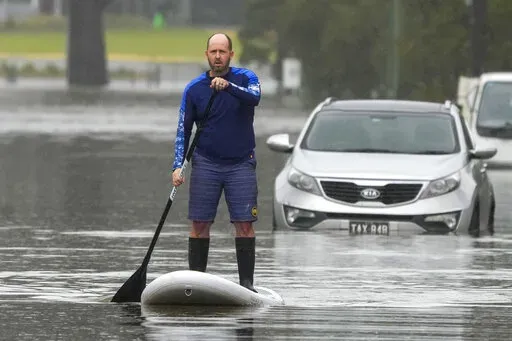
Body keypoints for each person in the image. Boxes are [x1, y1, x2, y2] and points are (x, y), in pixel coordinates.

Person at [171, 33, 261, 292]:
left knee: (244, 224)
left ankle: (247, 285)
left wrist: (228, 86)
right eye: (214, 52)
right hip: (206, 164)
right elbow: (183, 131)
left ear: (231, 54)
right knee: (199, 224)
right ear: (207, 55)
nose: (218, 56)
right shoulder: (194, 88)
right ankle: (196, 283)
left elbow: (254, 97)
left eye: (223, 51)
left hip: (241, 163)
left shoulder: (246, 78)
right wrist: (178, 165)